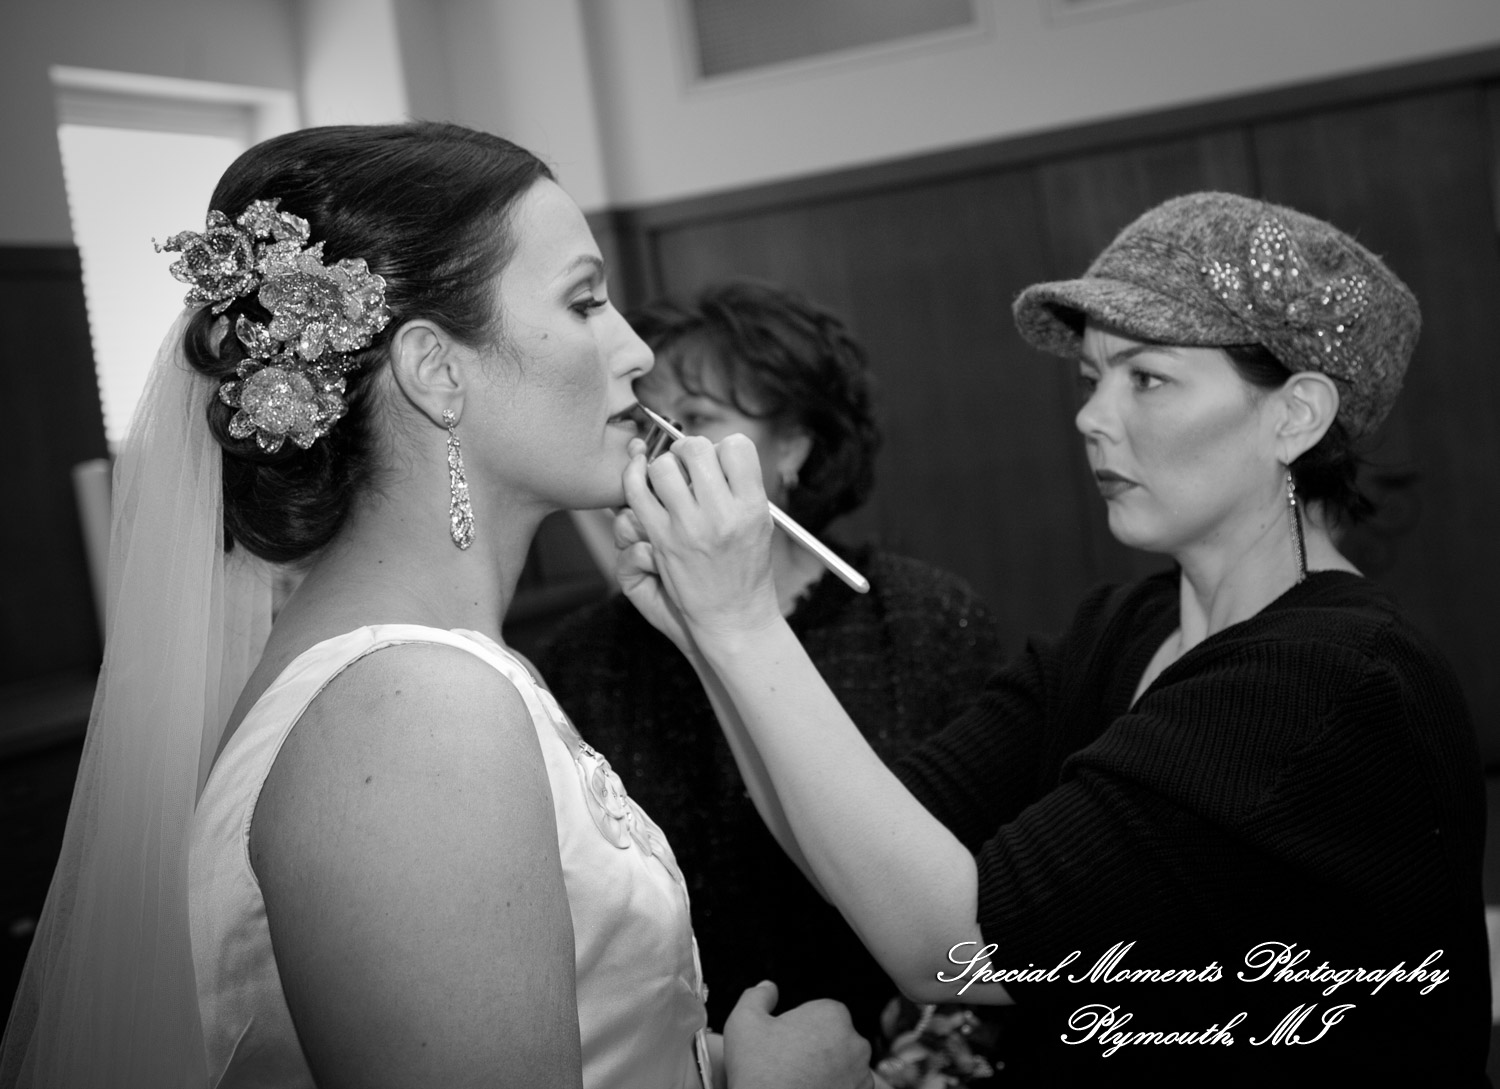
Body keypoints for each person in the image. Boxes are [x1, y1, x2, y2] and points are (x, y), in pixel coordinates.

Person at [0, 122, 872, 1089]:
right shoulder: (414, 714)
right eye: (585, 301)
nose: (635, 352)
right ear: (437, 371)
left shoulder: (421, 672)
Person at [612, 192, 1490, 1084]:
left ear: (1294, 415)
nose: (1091, 417)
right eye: (1091, 379)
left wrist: (739, 621)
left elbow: (950, 945)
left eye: (1146, 378)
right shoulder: (1119, 628)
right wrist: (705, 637)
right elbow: (859, 843)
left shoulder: (1334, 683)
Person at [536, 281, 1002, 1045]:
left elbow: (983, 891)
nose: (661, 445)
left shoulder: (925, 618)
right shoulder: (581, 657)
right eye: (645, 418)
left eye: (699, 419)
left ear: (793, 446)